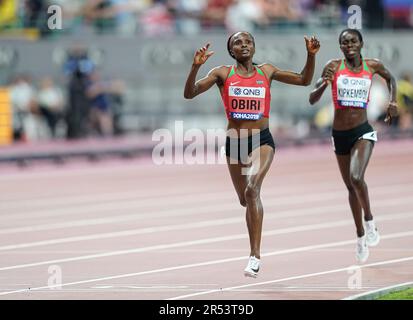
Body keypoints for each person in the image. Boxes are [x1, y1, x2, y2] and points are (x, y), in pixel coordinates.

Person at [184, 31, 320, 277]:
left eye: (248, 41)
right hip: (234, 142)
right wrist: (195, 67)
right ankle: (254, 224)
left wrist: (310, 56)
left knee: (252, 189)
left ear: (254, 48)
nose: (244, 45)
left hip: (262, 140)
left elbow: (303, 80)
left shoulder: (266, 71)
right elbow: (190, 93)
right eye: (238, 42)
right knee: (244, 200)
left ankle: (254, 256)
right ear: (231, 50)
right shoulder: (222, 74)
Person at [309, 29, 398, 263]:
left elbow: (391, 78)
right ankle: (359, 236)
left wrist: (393, 102)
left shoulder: (373, 66)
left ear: (361, 43)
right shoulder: (333, 66)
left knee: (357, 177)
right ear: (340, 46)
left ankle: (370, 221)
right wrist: (324, 83)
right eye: (344, 42)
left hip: (363, 131)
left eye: (353, 41)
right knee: (350, 187)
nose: (349, 45)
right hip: (339, 134)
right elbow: (312, 98)